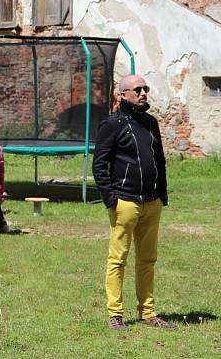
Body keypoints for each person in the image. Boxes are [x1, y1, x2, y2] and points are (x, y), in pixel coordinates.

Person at [92, 74, 175, 331]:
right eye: (137, 89)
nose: (143, 93)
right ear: (123, 95)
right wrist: (111, 199)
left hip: (152, 202)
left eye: (145, 89)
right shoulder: (112, 124)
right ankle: (115, 314)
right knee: (118, 259)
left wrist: (161, 195)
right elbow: (99, 164)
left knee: (148, 259)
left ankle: (148, 312)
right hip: (125, 202)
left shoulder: (151, 123)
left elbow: (159, 160)